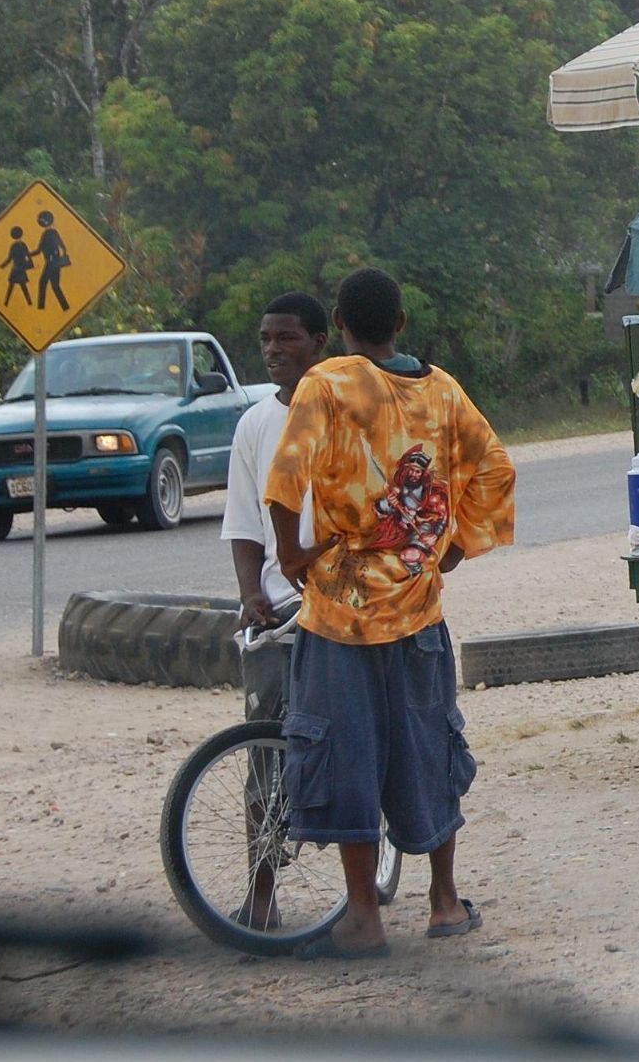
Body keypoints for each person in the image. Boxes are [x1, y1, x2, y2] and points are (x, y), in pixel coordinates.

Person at [268, 267, 515, 958]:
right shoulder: (442, 391)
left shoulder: (327, 383)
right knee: (426, 748)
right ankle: (442, 903)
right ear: (400, 324)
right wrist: (452, 549)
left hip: (340, 613)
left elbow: (286, 478)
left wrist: (291, 554)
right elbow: (495, 469)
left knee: (345, 753)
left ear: (339, 323)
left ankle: (364, 916)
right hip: (417, 608)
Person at [216, 289, 331, 930]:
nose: (273, 350)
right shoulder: (254, 423)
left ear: (320, 342)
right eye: (265, 340)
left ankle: (361, 887)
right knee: (263, 746)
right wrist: (251, 594)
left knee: (348, 740)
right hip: (279, 610)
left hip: (343, 603)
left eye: (287, 339)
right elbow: (243, 524)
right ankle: (262, 893)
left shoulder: (346, 411)